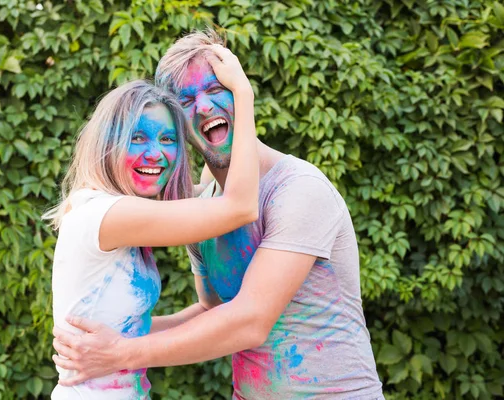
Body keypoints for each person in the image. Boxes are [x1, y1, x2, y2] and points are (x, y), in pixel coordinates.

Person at [52, 31, 384, 399]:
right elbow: (213, 309)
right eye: (188, 99)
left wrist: (122, 351)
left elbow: (250, 320)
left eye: (216, 90)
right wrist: (109, 340)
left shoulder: (299, 189)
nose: (205, 107)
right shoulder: (206, 203)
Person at [45, 45, 259, 400]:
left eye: (169, 139)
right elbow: (239, 206)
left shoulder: (113, 213)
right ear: (107, 144)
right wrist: (243, 94)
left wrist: (220, 316)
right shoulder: (107, 215)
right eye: (138, 138)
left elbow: (133, 330)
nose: (156, 153)